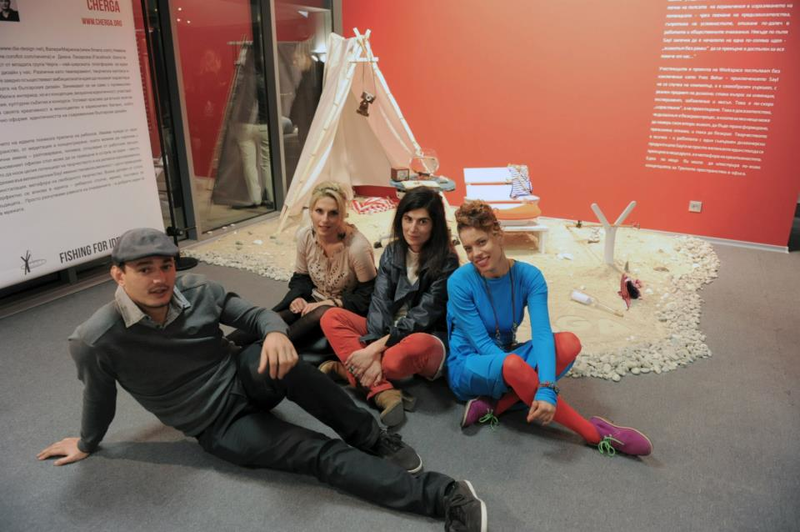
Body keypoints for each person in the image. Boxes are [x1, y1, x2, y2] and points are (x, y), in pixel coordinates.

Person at [36, 228, 487, 532]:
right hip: (218, 424)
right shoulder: (95, 340)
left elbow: (255, 315)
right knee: (318, 454)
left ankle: (373, 437)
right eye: (144, 269)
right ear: (118, 274)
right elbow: (99, 396)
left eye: (166, 266)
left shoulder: (197, 289)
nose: (159, 279)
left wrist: (274, 333)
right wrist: (88, 442)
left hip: (243, 374)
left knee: (287, 359)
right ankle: (445, 497)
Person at [446, 201, 653, 457]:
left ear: (498, 235)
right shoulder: (459, 282)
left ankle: (495, 406)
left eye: (481, 242)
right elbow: (482, 345)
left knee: (569, 343)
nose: (475, 253)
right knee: (513, 365)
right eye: (468, 248)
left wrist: (545, 388)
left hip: (508, 355)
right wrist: (537, 382)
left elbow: (542, 334)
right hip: (470, 364)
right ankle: (594, 434)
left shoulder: (529, 276)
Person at [320, 187, 459, 426]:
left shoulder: (448, 261)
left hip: (425, 336)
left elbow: (422, 318)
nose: (413, 228)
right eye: (408, 219)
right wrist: (374, 344)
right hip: (387, 332)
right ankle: (383, 391)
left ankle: (346, 370)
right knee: (331, 317)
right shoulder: (392, 251)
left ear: (435, 225)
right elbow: (379, 302)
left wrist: (373, 350)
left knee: (394, 360)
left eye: (423, 221)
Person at [269, 181, 377, 350]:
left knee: (317, 314)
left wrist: (330, 303)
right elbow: (301, 278)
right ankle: (228, 344)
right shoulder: (305, 236)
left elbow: (368, 297)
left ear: (342, 215)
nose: (324, 220)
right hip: (314, 299)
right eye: (319, 211)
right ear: (311, 211)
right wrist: (298, 298)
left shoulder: (358, 248)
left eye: (333, 213)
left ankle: (268, 348)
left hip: (347, 307)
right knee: (274, 318)